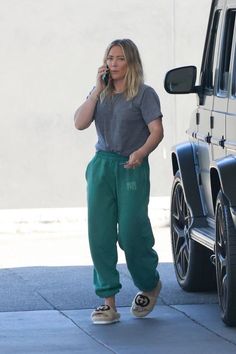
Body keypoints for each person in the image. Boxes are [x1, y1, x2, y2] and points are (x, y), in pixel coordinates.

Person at [74, 38, 164, 325]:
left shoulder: (144, 94)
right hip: (102, 166)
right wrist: (96, 90)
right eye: (110, 58)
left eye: (120, 58)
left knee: (130, 232)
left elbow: (157, 131)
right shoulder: (101, 93)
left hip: (131, 166)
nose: (113, 63)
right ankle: (108, 302)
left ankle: (149, 284)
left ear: (131, 62)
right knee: (99, 234)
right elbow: (79, 122)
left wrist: (140, 153)